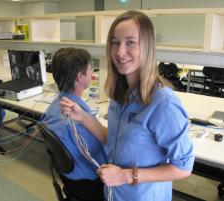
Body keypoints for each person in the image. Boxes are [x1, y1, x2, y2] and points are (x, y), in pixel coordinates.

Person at [61, 10, 195, 201]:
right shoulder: (119, 94)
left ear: (146, 46)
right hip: (115, 194)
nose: (120, 52)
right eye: (115, 43)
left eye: (130, 42)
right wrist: (83, 116)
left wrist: (125, 176)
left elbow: (184, 167)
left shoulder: (163, 102)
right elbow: (116, 139)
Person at [41, 47, 107, 201]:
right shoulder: (76, 120)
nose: (93, 73)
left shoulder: (53, 108)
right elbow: (103, 153)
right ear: (79, 77)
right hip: (88, 183)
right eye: (90, 69)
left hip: (69, 179)